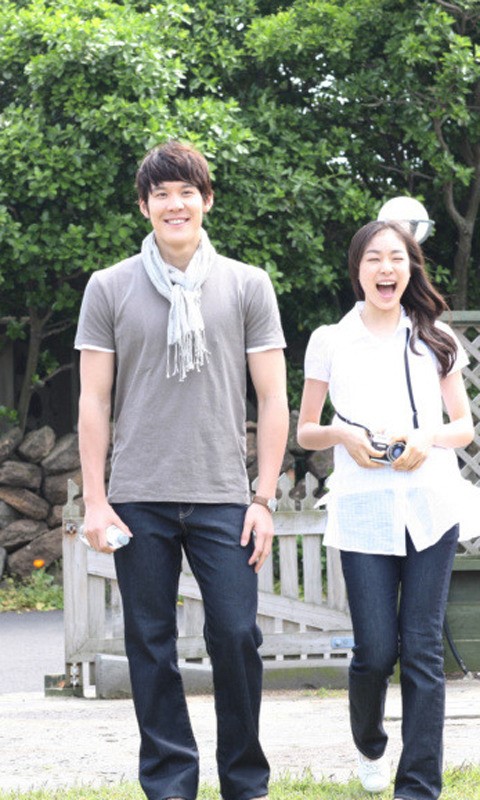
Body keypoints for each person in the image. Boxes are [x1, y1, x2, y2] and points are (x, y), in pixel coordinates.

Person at [75, 140, 289, 800]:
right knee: (150, 642)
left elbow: (273, 398)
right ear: (144, 206)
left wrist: (263, 499)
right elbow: (93, 400)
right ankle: (170, 784)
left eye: (187, 192)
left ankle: (244, 782)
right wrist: (95, 501)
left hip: (224, 495)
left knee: (237, 635)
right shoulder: (109, 286)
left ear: (207, 201)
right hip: (137, 496)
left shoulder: (248, 284)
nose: (175, 204)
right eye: (161, 194)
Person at [297, 219, 476, 800]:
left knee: (421, 649)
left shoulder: (434, 338)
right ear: (358, 269)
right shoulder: (330, 340)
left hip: (429, 507)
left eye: (396, 258)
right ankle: (370, 745)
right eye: (374, 258)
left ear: (410, 268)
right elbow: (306, 430)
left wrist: (427, 437)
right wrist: (343, 436)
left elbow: (463, 426)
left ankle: (418, 786)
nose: (386, 269)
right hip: (363, 510)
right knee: (375, 652)